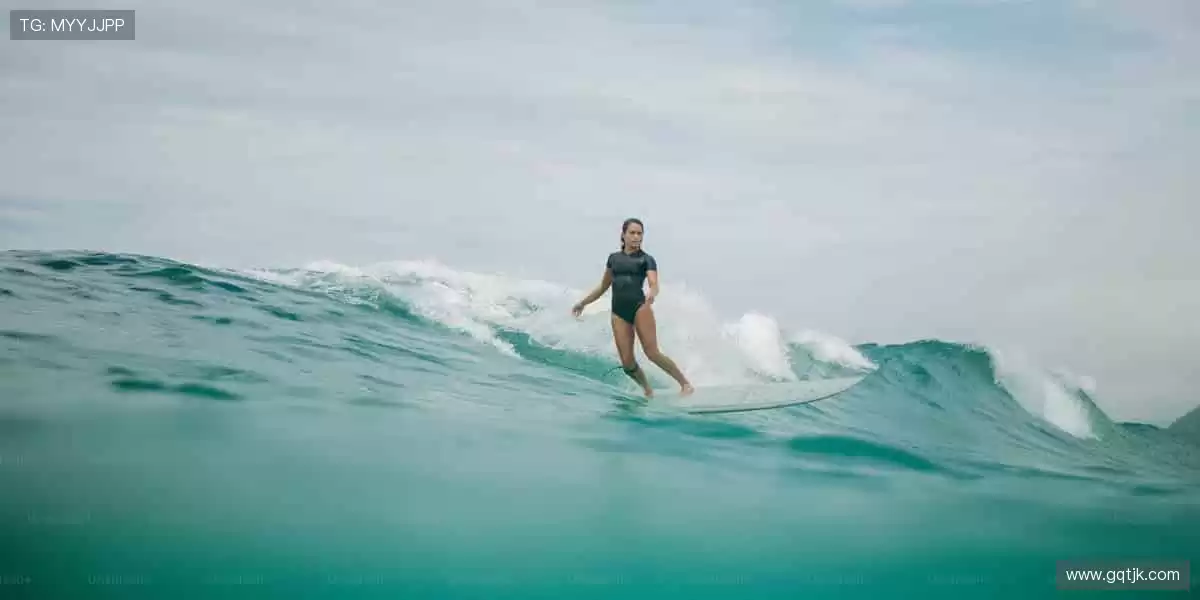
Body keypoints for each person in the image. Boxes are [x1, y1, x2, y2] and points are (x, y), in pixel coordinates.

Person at [572, 217, 694, 397]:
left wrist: (653, 292)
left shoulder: (647, 259)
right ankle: (647, 390)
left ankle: (685, 384)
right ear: (623, 235)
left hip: (640, 307)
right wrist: (583, 303)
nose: (636, 237)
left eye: (640, 233)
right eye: (632, 233)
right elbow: (603, 286)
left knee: (652, 353)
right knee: (627, 365)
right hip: (618, 312)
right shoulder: (613, 259)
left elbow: (653, 282)